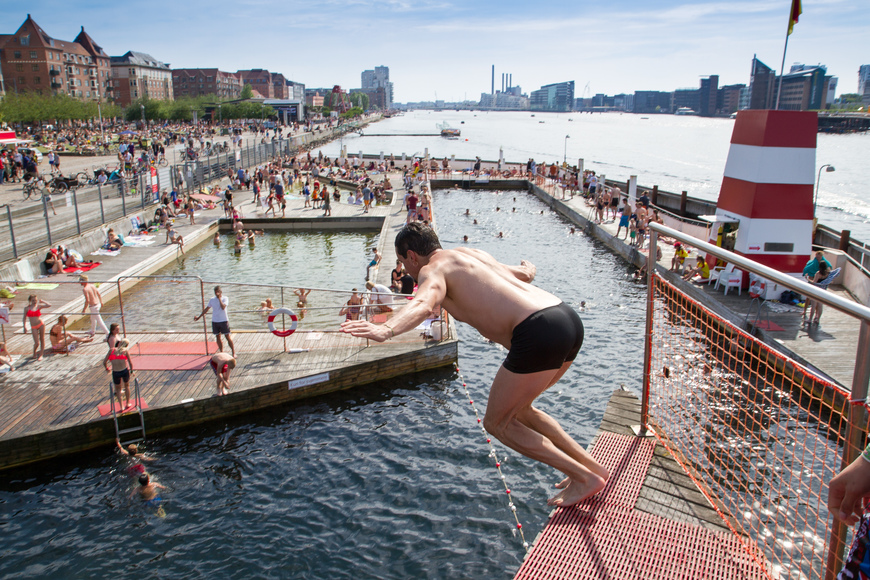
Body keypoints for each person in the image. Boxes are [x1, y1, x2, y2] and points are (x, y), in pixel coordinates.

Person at [341, 223, 609, 507]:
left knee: (497, 423)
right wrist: (527, 269)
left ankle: (582, 477)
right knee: (522, 411)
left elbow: (422, 304)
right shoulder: (469, 254)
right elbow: (521, 275)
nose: (407, 272)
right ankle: (591, 469)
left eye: (405, 264)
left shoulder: (432, 271)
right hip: (565, 318)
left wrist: (387, 330)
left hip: (537, 332)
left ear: (411, 256)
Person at [195, 286, 235, 357]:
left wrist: (219, 298)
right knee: (218, 337)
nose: (217, 293)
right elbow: (207, 309)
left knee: (227, 336)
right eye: (215, 292)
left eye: (218, 291)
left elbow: (223, 307)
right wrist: (199, 317)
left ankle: (233, 352)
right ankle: (221, 352)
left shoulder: (225, 298)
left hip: (223, 320)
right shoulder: (212, 300)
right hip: (215, 321)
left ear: (221, 292)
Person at [104, 338, 134, 410]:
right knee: (127, 386)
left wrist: (107, 369)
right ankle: (128, 402)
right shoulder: (125, 351)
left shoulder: (111, 350)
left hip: (115, 372)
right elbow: (130, 363)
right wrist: (132, 371)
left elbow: (104, 362)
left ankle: (121, 406)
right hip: (124, 370)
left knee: (118, 389)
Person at [23, 294, 51, 360]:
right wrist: (24, 326)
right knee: (36, 342)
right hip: (33, 326)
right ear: (30, 300)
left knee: (42, 339)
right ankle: (34, 352)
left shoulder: (38, 306)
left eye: (35, 300)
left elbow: (49, 305)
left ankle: (41, 354)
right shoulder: (27, 308)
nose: (34, 301)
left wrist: (43, 301)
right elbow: (24, 318)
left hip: (40, 324)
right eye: (33, 300)